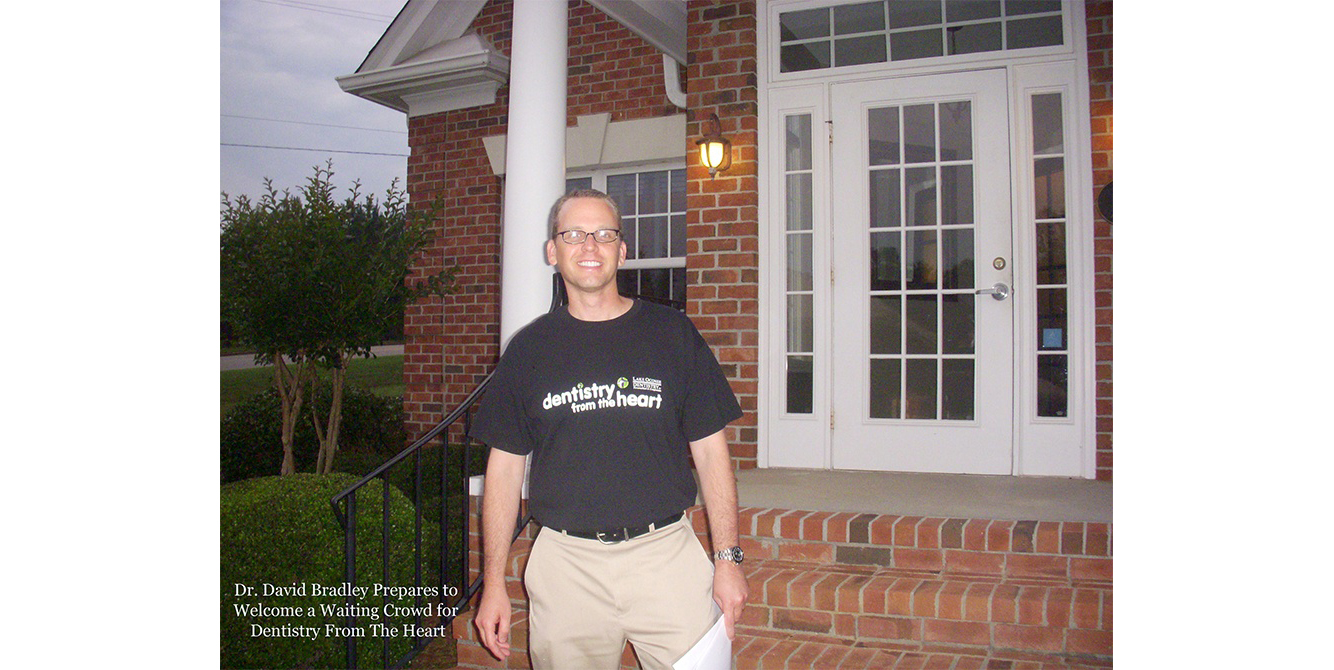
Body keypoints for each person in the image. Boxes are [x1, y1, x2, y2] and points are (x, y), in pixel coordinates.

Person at [468, 189, 749, 669]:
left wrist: (728, 558)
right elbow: (505, 471)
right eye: (573, 234)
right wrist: (493, 583)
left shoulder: (672, 334)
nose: (590, 246)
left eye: (604, 234)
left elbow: (710, 452)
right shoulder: (528, 351)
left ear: (622, 250)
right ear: (552, 251)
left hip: (666, 557)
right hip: (566, 566)